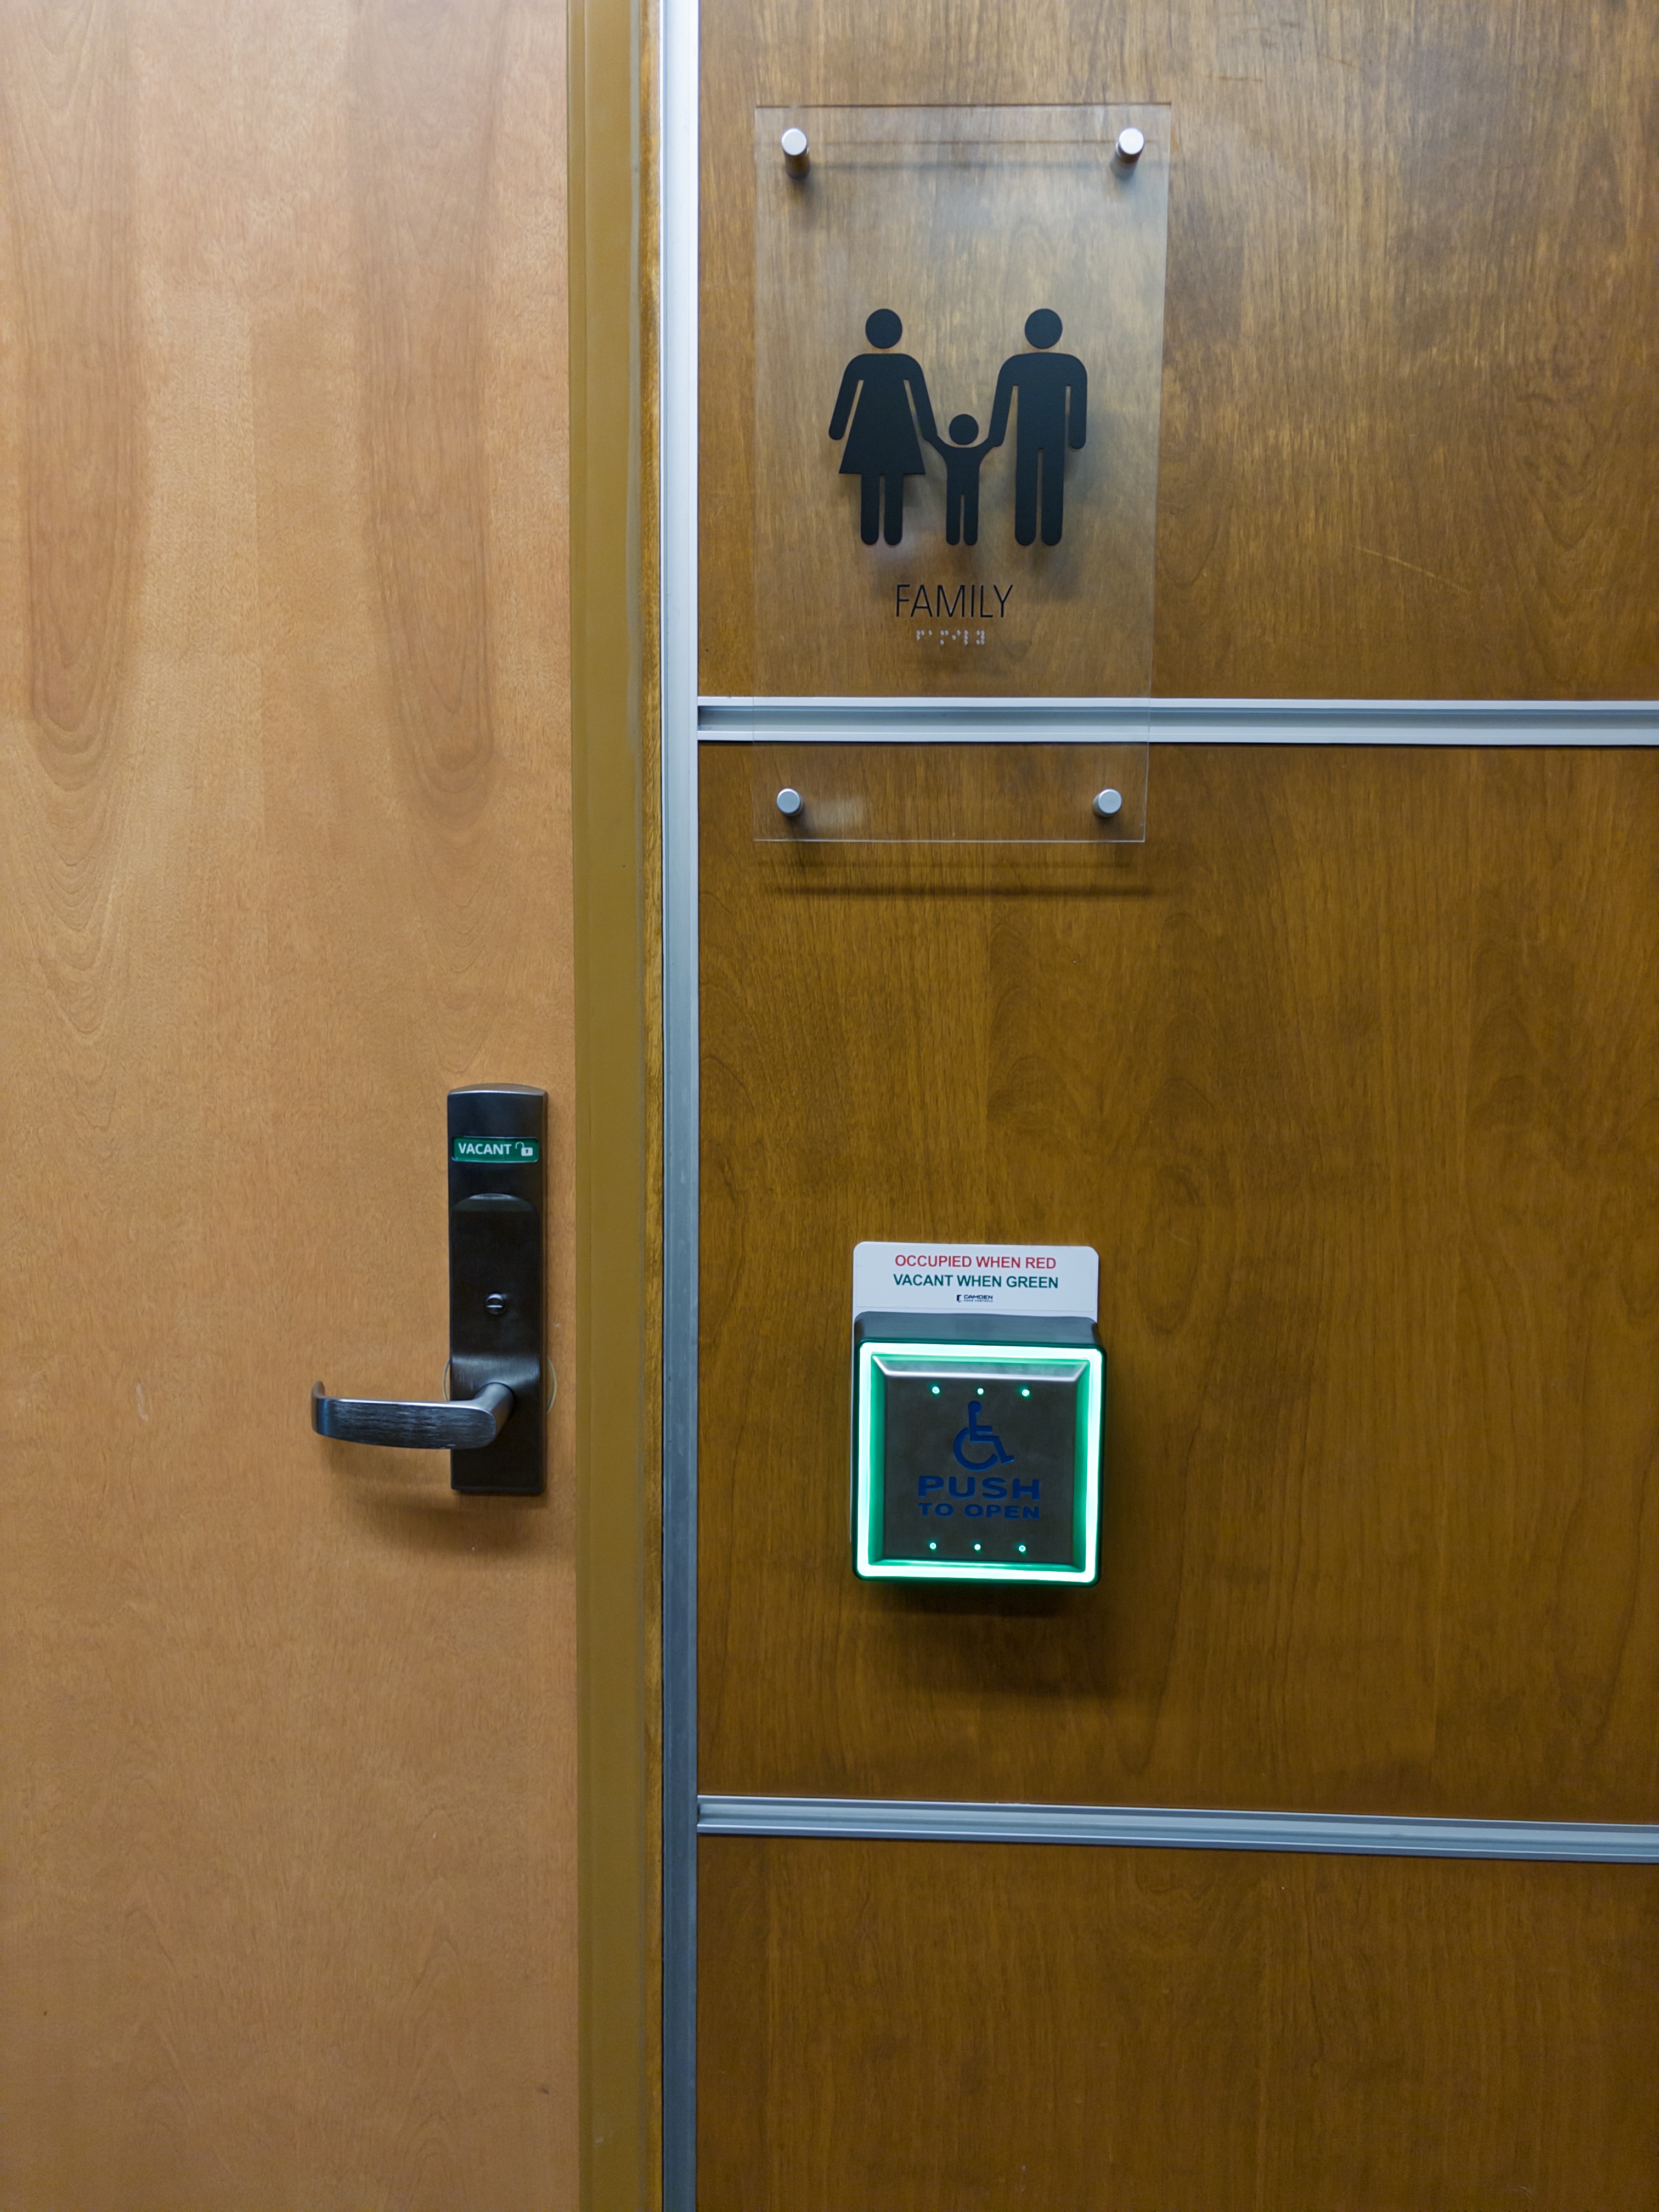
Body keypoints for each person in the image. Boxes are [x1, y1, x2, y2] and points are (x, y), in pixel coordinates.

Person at [828, 309, 939, 546]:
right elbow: (921, 400)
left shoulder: (861, 364)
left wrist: (838, 429)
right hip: (896, 431)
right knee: (892, 479)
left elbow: (846, 399)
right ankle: (889, 532)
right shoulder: (906, 364)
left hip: (868, 431)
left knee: (874, 478)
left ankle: (876, 532)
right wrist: (930, 432)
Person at [986, 308, 1087, 546]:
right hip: (1051, 432)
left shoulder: (1016, 365)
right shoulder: (1071, 365)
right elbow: (1079, 402)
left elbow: (1002, 402)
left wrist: (996, 436)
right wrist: (1076, 437)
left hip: (1030, 431)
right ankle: (1046, 532)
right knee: (1049, 479)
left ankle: (1028, 531)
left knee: (1028, 477)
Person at [929, 413, 996, 546]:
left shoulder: (949, 452)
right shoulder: (978, 452)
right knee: (969, 510)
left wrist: (920, 402)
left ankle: (956, 537)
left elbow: (932, 437)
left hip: (955, 488)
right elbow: (994, 438)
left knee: (955, 511)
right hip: (971, 488)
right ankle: (964, 537)